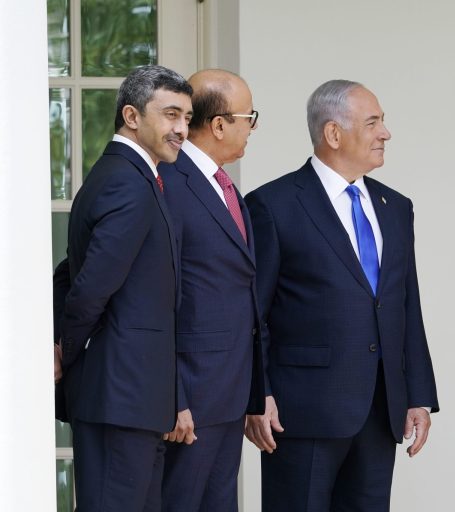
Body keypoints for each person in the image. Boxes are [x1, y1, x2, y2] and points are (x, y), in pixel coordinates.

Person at [244, 79, 439, 512]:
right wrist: (257, 394)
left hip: (379, 410)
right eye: (373, 123)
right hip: (301, 413)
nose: (385, 133)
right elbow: (253, 313)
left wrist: (418, 394)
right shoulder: (272, 205)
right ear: (333, 134)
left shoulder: (396, 207)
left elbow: (406, 304)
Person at [55, 65, 192, 512]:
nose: (182, 130)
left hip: (134, 400)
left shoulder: (132, 177)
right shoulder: (125, 182)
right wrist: (66, 349)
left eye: (187, 118)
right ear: (131, 116)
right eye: (171, 115)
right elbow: (91, 284)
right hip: (119, 396)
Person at [157, 69, 265, 511]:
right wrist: (173, 397)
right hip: (191, 399)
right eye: (249, 117)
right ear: (219, 124)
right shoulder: (168, 183)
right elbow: (158, 298)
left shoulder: (222, 184)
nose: (253, 128)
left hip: (229, 394)